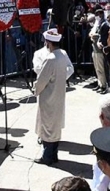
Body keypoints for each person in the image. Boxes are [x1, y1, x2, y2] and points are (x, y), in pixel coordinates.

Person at [34, 28, 73, 165]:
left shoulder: (50, 59)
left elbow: (42, 80)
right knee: (55, 125)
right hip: (59, 94)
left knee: (48, 126)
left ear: (48, 43)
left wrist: (35, 89)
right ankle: (53, 155)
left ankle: (48, 157)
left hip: (48, 95)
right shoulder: (62, 55)